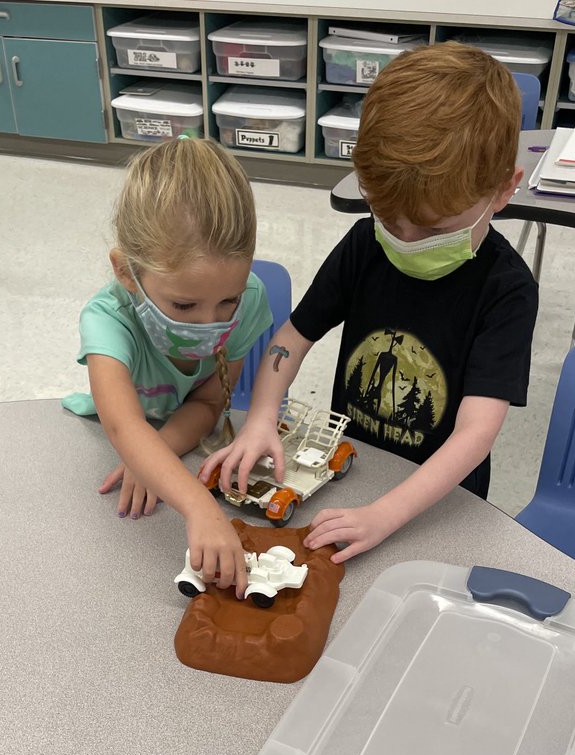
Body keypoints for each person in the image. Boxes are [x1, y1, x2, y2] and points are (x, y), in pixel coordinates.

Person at [201, 43, 539, 564]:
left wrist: (387, 513)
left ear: (502, 191)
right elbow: (292, 339)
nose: (404, 238)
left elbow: (476, 434)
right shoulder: (365, 245)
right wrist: (261, 416)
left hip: (437, 502)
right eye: (387, 216)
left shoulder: (506, 290)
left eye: (432, 228)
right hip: (353, 473)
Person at [66, 137, 272, 592]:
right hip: (102, 445)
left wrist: (157, 456)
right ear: (126, 273)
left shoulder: (252, 297)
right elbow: (123, 429)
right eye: (183, 304)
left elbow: (210, 401)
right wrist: (200, 507)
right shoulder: (106, 321)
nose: (210, 322)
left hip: (174, 448)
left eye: (228, 302)